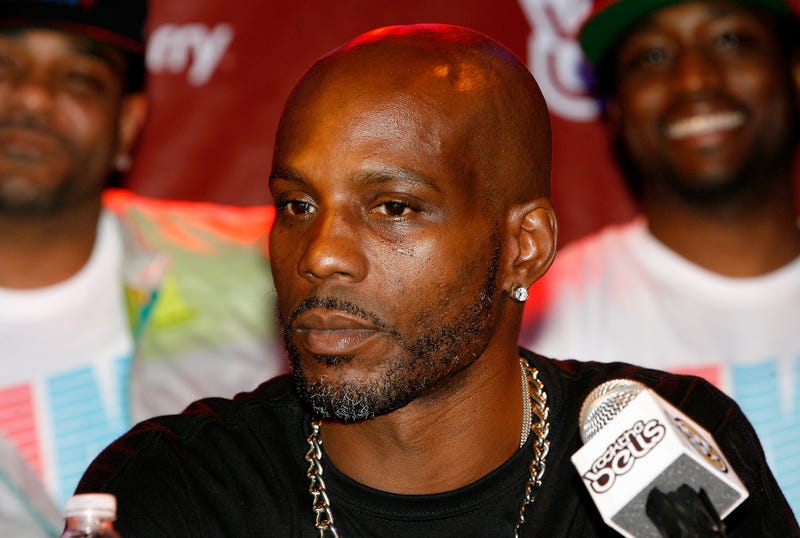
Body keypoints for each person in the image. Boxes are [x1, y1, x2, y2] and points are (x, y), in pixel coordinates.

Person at [75, 23, 798, 536]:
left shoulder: (666, 449)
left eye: (392, 207)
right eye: (297, 205)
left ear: (524, 246)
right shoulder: (178, 491)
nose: (321, 254)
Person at [0, 1, 285, 533]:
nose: (33, 98)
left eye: (80, 78)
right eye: (3, 68)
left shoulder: (261, 269)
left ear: (128, 123)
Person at [519, 0, 800, 517]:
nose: (694, 79)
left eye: (731, 40)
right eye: (651, 56)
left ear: (793, 71)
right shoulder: (540, 317)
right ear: (616, 106)